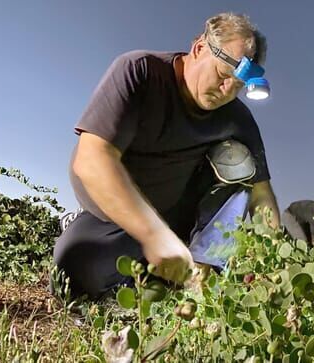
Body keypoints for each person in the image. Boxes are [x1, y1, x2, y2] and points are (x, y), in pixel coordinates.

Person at [53, 12, 280, 299]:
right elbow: (91, 159)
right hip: (114, 213)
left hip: (176, 215)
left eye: (237, 87)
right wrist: (154, 236)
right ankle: (94, 233)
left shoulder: (237, 118)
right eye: (223, 75)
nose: (226, 91)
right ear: (199, 48)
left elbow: (261, 195)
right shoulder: (140, 71)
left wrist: (273, 262)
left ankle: (203, 266)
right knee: (74, 277)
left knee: (239, 159)